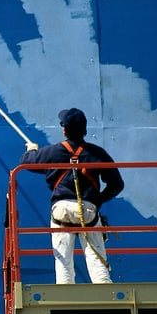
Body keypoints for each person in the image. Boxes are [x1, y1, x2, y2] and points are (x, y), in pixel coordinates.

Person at [20, 108, 124, 284]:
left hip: (61, 210)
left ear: (64, 129)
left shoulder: (53, 152)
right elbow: (117, 184)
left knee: (63, 263)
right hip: (88, 210)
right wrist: (97, 200)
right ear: (84, 129)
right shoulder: (97, 154)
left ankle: (64, 302)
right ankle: (109, 300)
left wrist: (32, 150)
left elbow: (26, 162)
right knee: (97, 262)